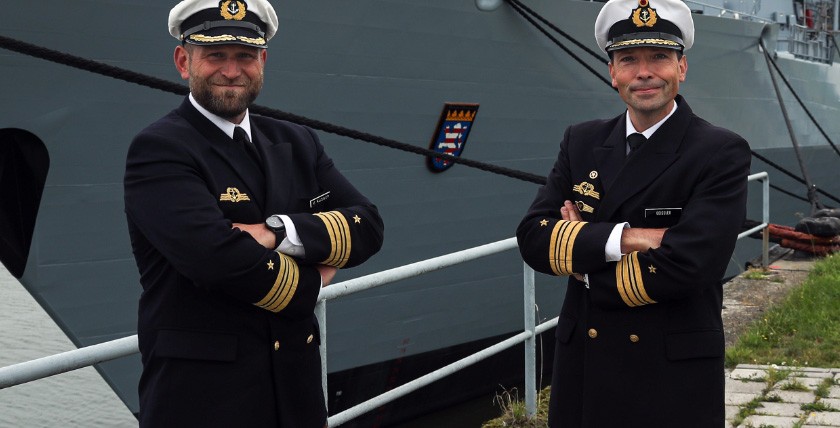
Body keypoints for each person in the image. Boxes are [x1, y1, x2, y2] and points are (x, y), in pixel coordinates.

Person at [123, 0, 384, 426]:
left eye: (245, 56)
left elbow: (369, 225)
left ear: (262, 60)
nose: (231, 71)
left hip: (296, 393)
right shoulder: (161, 148)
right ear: (182, 61)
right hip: (205, 400)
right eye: (215, 56)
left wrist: (275, 231)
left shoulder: (298, 142)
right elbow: (216, 260)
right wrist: (315, 277)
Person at [516, 0, 751, 426]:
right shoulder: (581, 141)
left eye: (659, 57)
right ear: (612, 73)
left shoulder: (718, 151)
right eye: (628, 60)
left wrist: (584, 259)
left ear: (681, 67)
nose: (644, 72)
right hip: (584, 365)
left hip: (668, 371)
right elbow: (533, 237)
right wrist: (631, 238)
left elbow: (695, 263)